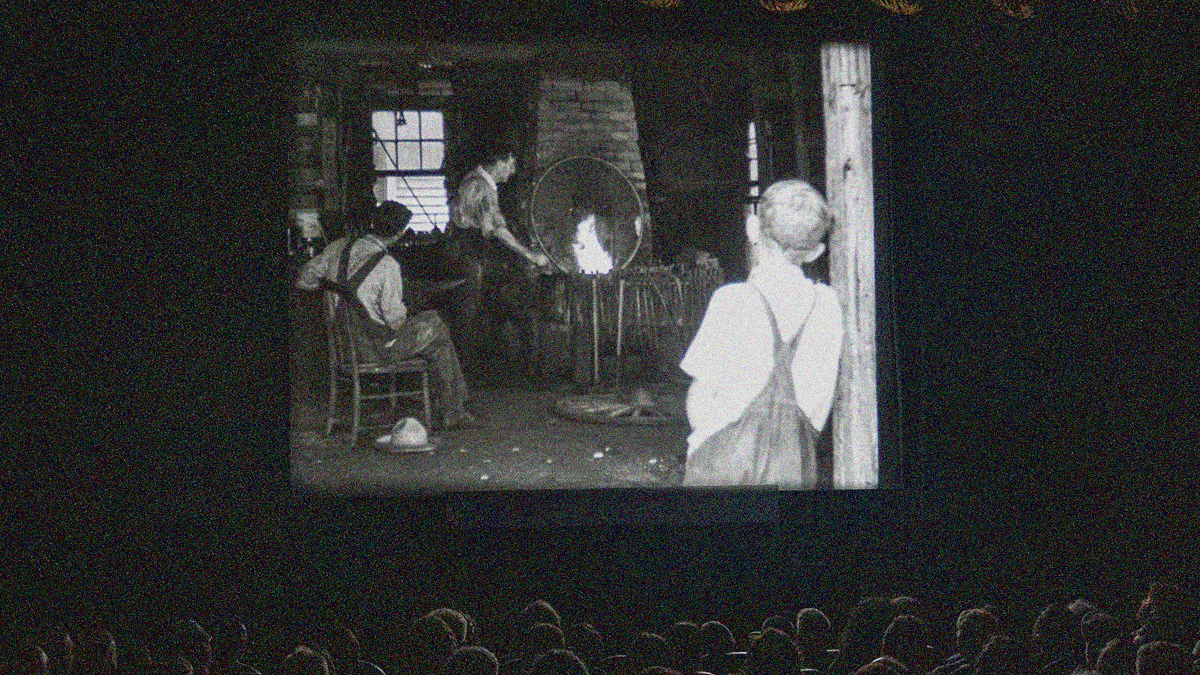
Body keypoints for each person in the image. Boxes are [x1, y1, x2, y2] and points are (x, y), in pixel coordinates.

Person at [680, 179, 843, 487]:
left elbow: (700, 397)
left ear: (752, 228)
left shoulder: (732, 300)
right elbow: (819, 404)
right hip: (795, 467)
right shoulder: (828, 305)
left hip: (723, 464)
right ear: (815, 252)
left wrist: (703, 445)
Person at [295, 200, 481, 429]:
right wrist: (409, 308)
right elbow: (394, 321)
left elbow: (304, 280)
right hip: (372, 350)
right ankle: (453, 410)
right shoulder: (388, 265)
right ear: (400, 233)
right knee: (436, 326)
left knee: (436, 336)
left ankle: (451, 408)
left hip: (343, 344)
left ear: (373, 223)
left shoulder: (338, 247)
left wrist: (333, 290)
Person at [444, 148, 551, 373]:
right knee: (469, 314)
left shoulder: (474, 180)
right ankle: (465, 377)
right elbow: (495, 230)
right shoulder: (482, 187)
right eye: (510, 164)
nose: (512, 171)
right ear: (498, 162)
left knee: (475, 311)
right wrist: (530, 255)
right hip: (469, 255)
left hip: (468, 252)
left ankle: (469, 374)